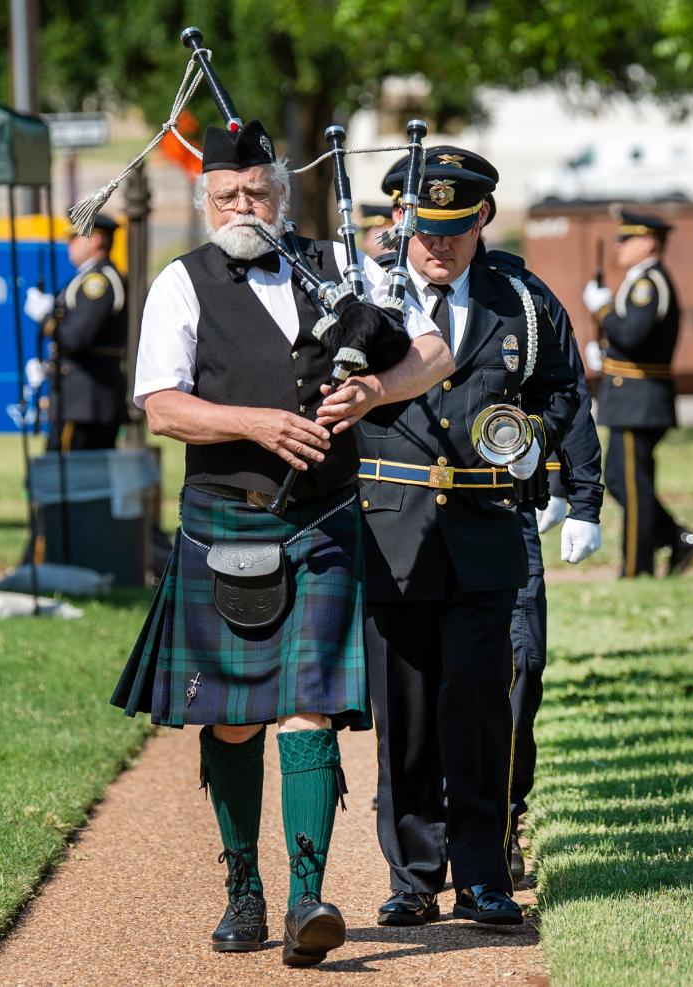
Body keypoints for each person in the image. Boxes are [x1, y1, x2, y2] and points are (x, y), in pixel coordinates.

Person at [110, 119, 451, 967]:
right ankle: (244, 891)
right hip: (226, 519)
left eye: (256, 190)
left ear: (281, 190)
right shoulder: (181, 284)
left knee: (307, 705)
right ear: (205, 199)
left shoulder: (339, 265)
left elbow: (434, 351)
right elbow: (160, 405)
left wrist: (374, 389)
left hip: (326, 518)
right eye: (226, 194)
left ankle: (307, 898)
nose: (242, 205)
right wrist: (258, 425)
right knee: (230, 718)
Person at [358, 146, 579, 927]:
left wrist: (531, 438)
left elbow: (563, 387)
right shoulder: (365, 295)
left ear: (481, 217)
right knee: (407, 711)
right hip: (396, 531)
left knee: (482, 710)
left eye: (454, 227)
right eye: (423, 227)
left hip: (485, 529)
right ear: (398, 220)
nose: (437, 244)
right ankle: (413, 874)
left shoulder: (517, 296)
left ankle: (484, 874)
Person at [474, 215, 603, 883]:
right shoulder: (392, 290)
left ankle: (502, 820)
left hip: (505, 509)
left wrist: (581, 496)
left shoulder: (524, 295)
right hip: (417, 516)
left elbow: (568, 395)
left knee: (520, 668)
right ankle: (430, 824)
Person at [582, 208, 693, 577]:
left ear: (649, 242)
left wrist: (601, 309)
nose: (619, 245)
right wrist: (605, 355)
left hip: (640, 399)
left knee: (632, 485)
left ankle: (638, 567)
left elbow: (632, 335)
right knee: (621, 480)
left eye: (627, 238)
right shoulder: (640, 280)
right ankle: (678, 538)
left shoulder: (648, 283)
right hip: (631, 398)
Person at [23, 213, 128, 451]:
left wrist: (46, 317)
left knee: (73, 478)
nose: (69, 244)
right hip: (80, 399)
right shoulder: (87, 278)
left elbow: (76, 338)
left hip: (85, 401)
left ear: (96, 241)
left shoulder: (98, 281)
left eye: (75, 238)